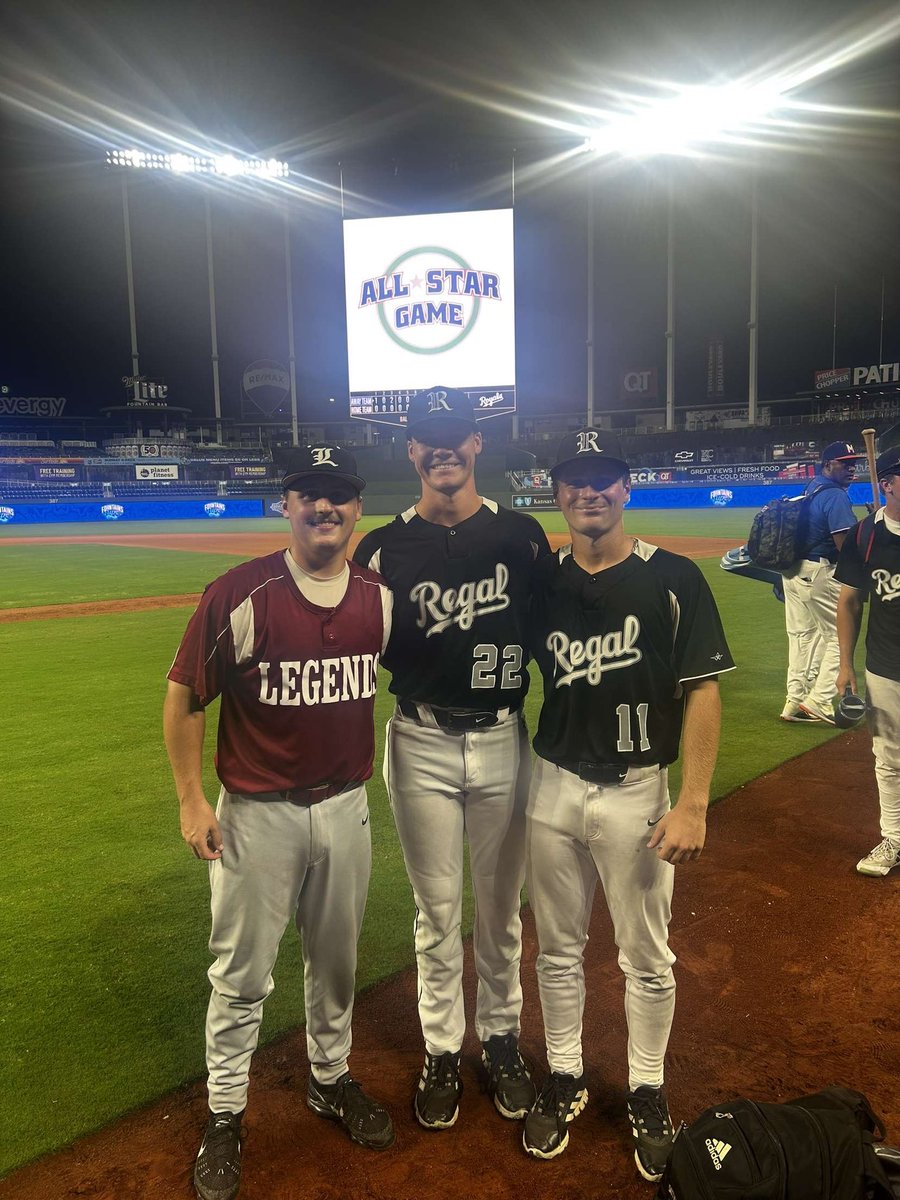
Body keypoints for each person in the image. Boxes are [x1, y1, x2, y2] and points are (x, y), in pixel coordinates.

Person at [164, 445, 395, 1200]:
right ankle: (226, 1114)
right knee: (240, 977)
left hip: (346, 807)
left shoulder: (377, 597)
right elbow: (184, 697)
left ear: (358, 509)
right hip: (257, 817)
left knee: (336, 963)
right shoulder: (242, 591)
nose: (324, 508)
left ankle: (330, 1080)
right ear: (286, 505)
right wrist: (192, 800)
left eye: (337, 495)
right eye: (308, 495)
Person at [522, 428, 734, 1182]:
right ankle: (567, 1073)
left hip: (639, 791)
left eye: (604, 479)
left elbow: (703, 690)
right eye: (576, 481)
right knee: (556, 949)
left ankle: (647, 1087)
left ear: (626, 488)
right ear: (558, 494)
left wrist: (696, 804)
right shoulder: (539, 578)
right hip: (549, 786)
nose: (590, 492)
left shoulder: (673, 578)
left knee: (645, 955)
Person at [353, 385, 550, 1130]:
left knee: (500, 910)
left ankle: (500, 1039)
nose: (442, 447)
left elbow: (552, 637)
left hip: (503, 737)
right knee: (436, 912)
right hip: (420, 740)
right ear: (410, 450)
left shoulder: (524, 537)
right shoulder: (378, 547)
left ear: (476, 446)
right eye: (427, 436)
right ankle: (442, 1045)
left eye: (456, 435)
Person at [836, 444, 900, 877]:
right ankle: (894, 837)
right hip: (885, 666)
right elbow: (849, 602)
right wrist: (845, 666)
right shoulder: (864, 535)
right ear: (887, 484)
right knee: (888, 755)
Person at [780, 441, 862, 724]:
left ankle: (793, 701)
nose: (852, 468)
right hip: (820, 571)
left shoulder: (812, 487)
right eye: (844, 463)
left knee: (802, 637)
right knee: (840, 637)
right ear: (827, 465)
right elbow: (844, 546)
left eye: (854, 463)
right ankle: (819, 700)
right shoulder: (835, 495)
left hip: (793, 572)